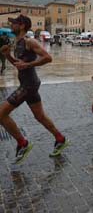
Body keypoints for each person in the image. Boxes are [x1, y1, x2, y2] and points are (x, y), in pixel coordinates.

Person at [0, 15, 69, 164]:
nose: (11, 26)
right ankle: (60, 138)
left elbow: (47, 57)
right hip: (28, 83)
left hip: (28, 85)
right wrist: (7, 56)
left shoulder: (29, 41)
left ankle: (23, 143)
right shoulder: (16, 42)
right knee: (40, 117)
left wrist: (29, 65)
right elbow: (19, 64)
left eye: (14, 24)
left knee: (1, 114)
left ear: (22, 25)